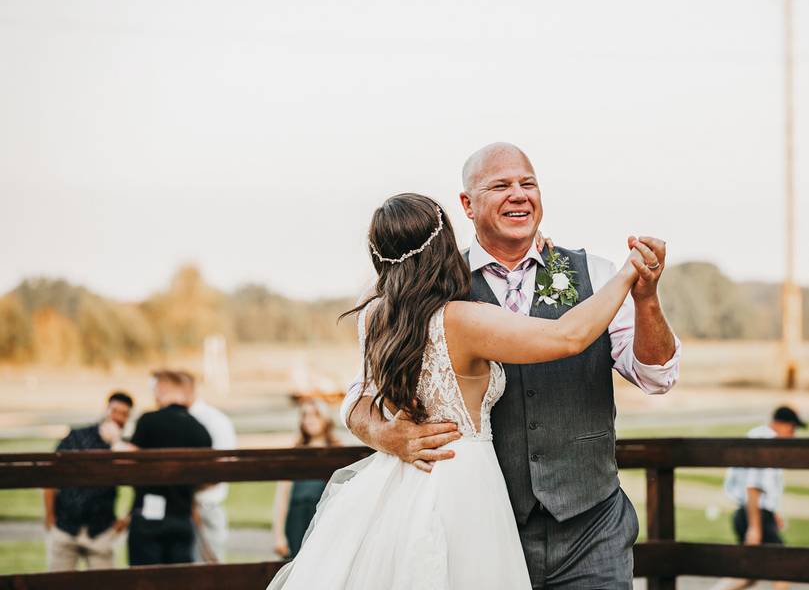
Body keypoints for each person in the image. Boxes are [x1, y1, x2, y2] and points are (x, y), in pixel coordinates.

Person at [267, 190, 670, 589]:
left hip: (401, 486)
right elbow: (568, 335)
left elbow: (357, 393)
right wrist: (628, 273)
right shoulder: (461, 319)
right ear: (444, 242)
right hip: (465, 486)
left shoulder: (374, 313)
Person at [712, 406, 808, 590]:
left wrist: (773, 511)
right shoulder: (767, 443)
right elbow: (753, 485)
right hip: (756, 515)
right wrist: (755, 527)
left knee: (749, 575)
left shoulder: (757, 435)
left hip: (749, 512)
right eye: (792, 429)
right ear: (782, 425)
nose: (792, 435)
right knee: (783, 568)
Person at [125, 370, 212, 566]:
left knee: (144, 579)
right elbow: (209, 479)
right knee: (178, 579)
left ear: (164, 389)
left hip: (147, 517)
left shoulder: (148, 420)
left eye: (156, 389)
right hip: (182, 516)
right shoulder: (199, 429)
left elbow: (128, 463)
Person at [43, 391, 134, 571]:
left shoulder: (123, 446)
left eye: (124, 414)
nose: (118, 417)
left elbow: (142, 478)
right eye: (114, 410)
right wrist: (49, 515)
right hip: (66, 525)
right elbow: (51, 475)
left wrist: (127, 518)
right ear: (106, 410)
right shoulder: (76, 436)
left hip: (101, 530)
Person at [272, 399, 339, 559]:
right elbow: (282, 496)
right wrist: (279, 536)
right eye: (305, 415)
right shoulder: (295, 453)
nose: (310, 419)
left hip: (324, 519)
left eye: (315, 415)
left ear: (325, 419)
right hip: (297, 519)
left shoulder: (336, 452)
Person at [184, 372, 237, 563]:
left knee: (209, 569)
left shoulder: (213, 420)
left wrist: (188, 489)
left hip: (205, 506)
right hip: (181, 510)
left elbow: (223, 467)